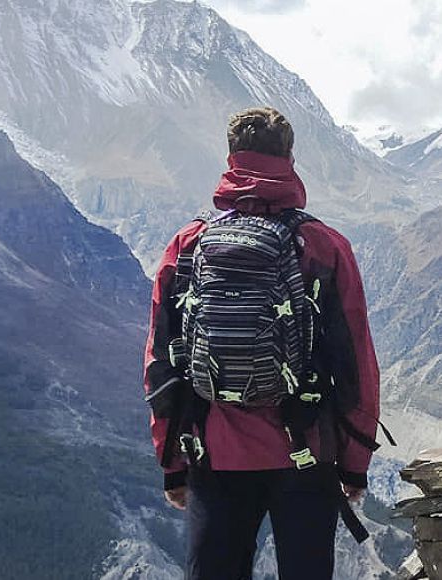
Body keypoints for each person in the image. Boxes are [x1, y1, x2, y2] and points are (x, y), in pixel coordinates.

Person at [142, 106, 383, 580]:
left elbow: (159, 363)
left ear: (231, 159)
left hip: (214, 453)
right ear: (290, 159)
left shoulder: (188, 245)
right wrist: (355, 465)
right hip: (307, 451)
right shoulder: (324, 246)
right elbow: (357, 362)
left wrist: (172, 463)